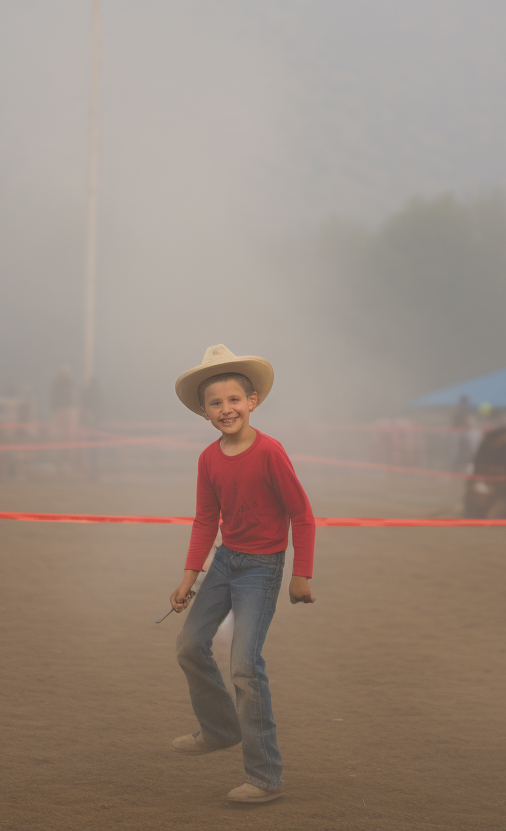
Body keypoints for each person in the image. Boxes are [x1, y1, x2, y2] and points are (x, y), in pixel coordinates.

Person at [168, 344, 316, 806]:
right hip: (225, 561)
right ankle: (218, 730)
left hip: (262, 568)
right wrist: (189, 578)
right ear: (205, 412)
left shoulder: (270, 453)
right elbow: (204, 521)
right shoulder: (208, 459)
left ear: (252, 402)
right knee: (190, 645)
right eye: (215, 403)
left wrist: (301, 574)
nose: (226, 409)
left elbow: (302, 514)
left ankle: (266, 776)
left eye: (234, 400)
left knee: (245, 668)